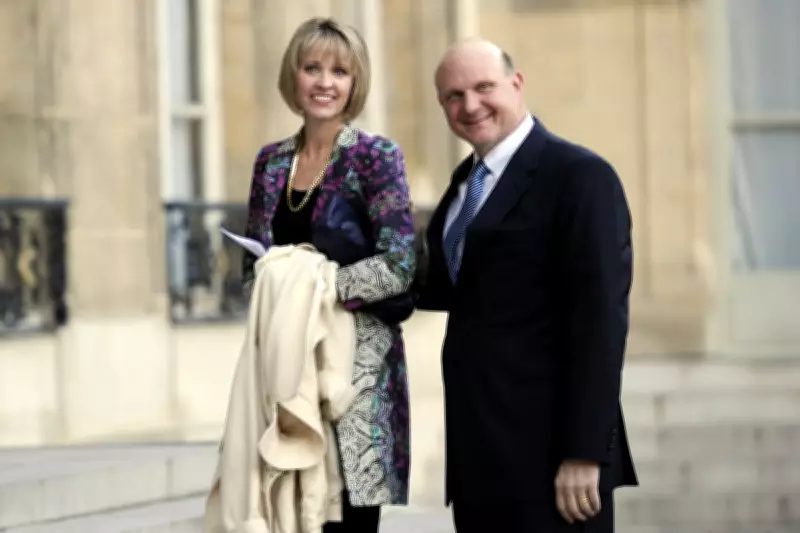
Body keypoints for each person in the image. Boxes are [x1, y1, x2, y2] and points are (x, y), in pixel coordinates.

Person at [415, 38, 638, 532]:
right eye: (454, 96)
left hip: (554, 464)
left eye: (484, 87)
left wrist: (585, 452)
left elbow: (601, 323)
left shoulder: (580, 177)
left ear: (516, 84)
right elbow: (456, 289)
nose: (470, 105)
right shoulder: (466, 183)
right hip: (481, 461)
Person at [240, 17, 416, 533]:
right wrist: (277, 285)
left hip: (354, 375)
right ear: (292, 76)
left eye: (339, 71)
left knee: (347, 520)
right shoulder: (270, 163)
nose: (324, 82)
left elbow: (400, 264)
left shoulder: (375, 158)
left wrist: (315, 285)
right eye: (312, 67)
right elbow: (254, 271)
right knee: (285, 515)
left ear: (355, 82)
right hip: (285, 367)